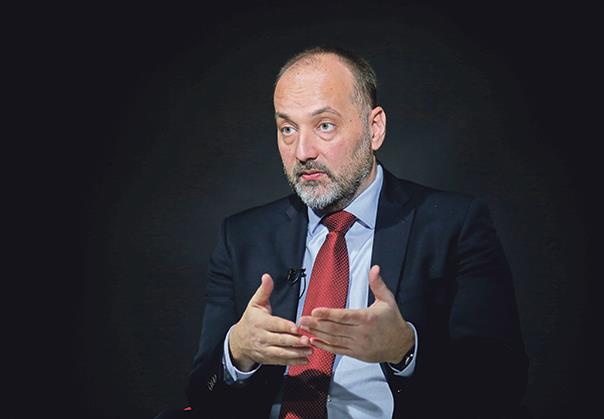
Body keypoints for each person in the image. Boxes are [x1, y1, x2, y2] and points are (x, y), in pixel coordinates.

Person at [160, 46, 528, 419]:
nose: (302, 151)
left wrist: (405, 350)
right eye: (287, 129)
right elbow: (202, 394)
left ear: (374, 128)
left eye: (325, 125)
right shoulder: (242, 237)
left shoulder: (453, 224)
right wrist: (236, 353)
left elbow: (501, 383)